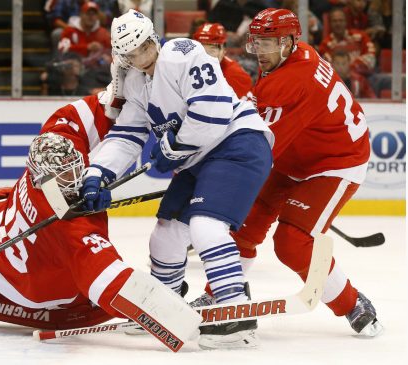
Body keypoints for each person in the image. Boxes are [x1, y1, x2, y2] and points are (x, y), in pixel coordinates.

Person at [0, 93, 201, 350]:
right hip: (26, 288)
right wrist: (172, 314)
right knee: (85, 299)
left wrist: (121, 95)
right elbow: (113, 282)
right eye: (66, 175)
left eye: (76, 168)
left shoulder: (38, 169)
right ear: (46, 175)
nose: (74, 177)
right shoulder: (74, 230)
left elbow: (69, 119)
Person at [81, 9, 274, 349]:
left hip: (236, 143)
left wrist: (174, 146)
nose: (136, 57)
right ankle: (165, 307)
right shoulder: (138, 83)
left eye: (140, 48)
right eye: (128, 53)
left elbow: (211, 112)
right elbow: (126, 135)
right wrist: (98, 174)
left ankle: (234, 310)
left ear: (152, 39)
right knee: (165, 235)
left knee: (205, 227)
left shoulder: (182, 53)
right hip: (197, 158)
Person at [223, 8, 382, 338]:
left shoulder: (293, 80)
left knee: (292, 243)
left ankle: (353, 304)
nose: (259, 52)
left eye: (267, 43)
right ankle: (224, 293)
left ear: (288, 42)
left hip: (336, 161)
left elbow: (259, 152)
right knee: (243, 224)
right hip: (299, 153)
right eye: (256, 43)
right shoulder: (294, 55)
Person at [192, 22, 253, 99]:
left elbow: (243, 110)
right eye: (201, 50)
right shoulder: (187, 65)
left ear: (224, 51)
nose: (205, 57)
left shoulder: (234, 75)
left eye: (212, 51)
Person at [319, 7, 376, 77]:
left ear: (346, 22)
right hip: (340, 80)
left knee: (386, 80)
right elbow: (330, 68)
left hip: (366, 77)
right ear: (330, 23)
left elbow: (371, 58)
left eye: (341, 20)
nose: (338, 23)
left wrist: (351, 67)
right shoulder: (325, 45)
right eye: (335, 21)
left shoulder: (361, 36)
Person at [58, 2, 112, 70]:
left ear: (97, 17)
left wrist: (102, 51)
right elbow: (62, 49)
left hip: (96, 71)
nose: (91, 17)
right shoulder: (70, 30)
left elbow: (112, 52)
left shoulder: (102, 32)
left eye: (94, 14)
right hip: (73, 69)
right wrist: (87, 47)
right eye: (88, 14)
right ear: (81, 14)